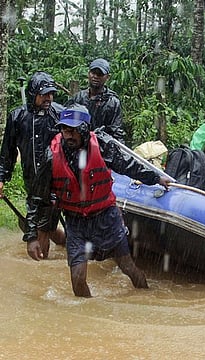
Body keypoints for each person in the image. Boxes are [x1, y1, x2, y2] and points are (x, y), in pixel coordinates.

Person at [23, 104, 170, 297]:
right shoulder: (52, 155)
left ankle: (147, 295)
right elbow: (37, 197)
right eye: (65, 130)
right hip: (76, 222)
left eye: (74, 130)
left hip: (106, 217)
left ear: (85, 129)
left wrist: (156, 179)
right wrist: (31, 236)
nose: (68, 135)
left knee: (127, 267)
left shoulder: (101, 145)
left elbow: (128, 165)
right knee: (77, 278)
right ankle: (85, 318)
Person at [0, 71, 66, 258]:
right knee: (45, 226)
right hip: (32, 182)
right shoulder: (17, 117)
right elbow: (8, 152)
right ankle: (68, 245)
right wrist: (1, 178)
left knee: (41, 230)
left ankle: (42, 270)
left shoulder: (60, 115)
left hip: (56, 183)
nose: (49, 98)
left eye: (51, 93)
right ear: (33, 94)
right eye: (44, 94)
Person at [67, 58, 125, 142]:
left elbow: (115, 130)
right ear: (88, 73)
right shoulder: (78, 97)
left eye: (100, 74)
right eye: (93, 73)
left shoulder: (112, 102)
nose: (95, 77)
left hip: (101, 146)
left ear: (107, 77)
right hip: (79, 144)